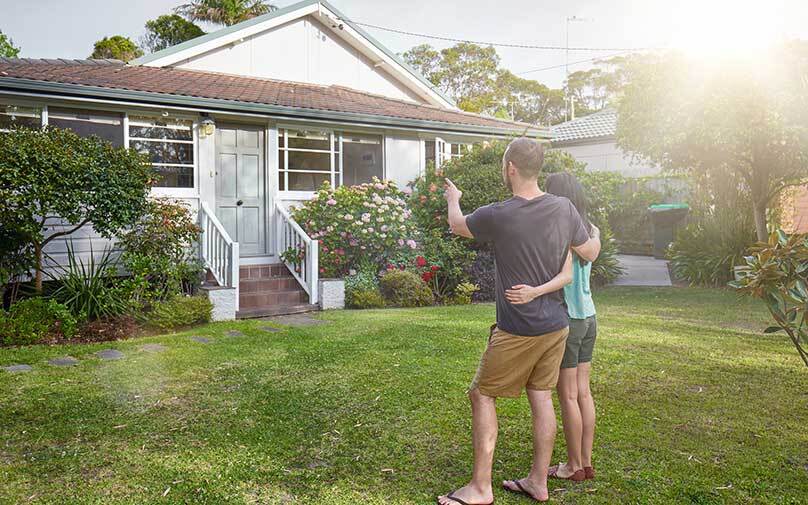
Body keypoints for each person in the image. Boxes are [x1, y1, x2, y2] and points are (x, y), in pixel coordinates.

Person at [437, 138, 601, 505]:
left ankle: (481, 488)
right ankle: (538, 481)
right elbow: (588, 251)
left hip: (518, 327)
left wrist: (454, 199)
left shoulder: (499, 213)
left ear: (511, 167)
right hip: (557, 325)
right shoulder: (564, 208)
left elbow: (458, 226)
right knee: (541, 395)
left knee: (481, 394)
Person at [544, 172, 600, 483]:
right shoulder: (591, 229)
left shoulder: (559, 230)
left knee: (567, 395)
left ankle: (573, 465)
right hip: (590, 316)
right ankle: (586, 462)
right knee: (583, 393)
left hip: (568, 319)